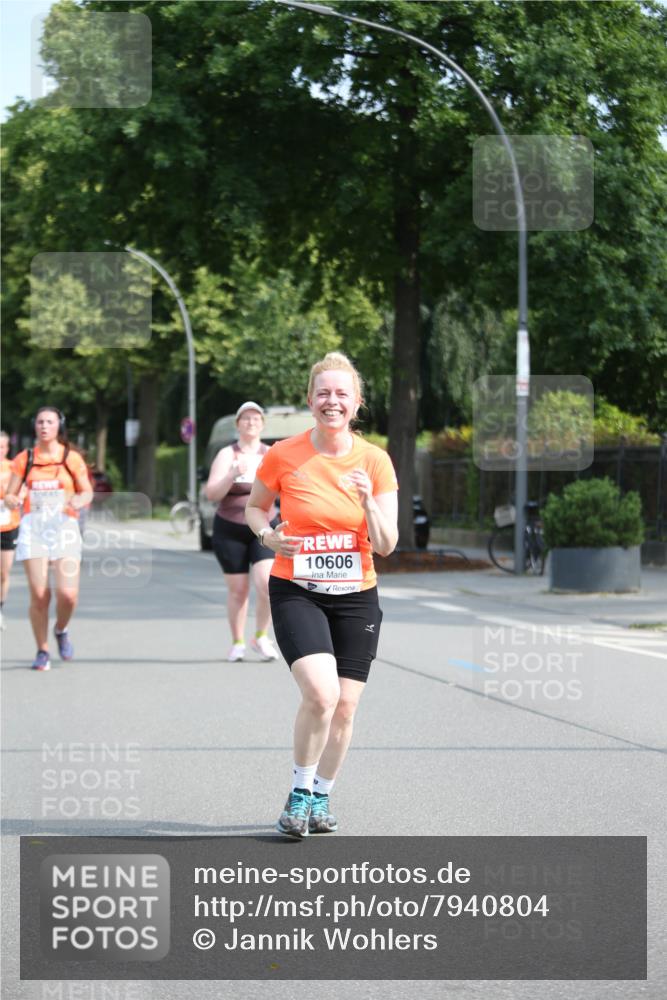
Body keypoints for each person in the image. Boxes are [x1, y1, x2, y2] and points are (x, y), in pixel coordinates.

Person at [246, 352, 398, 837]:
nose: (332, 401)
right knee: (321, 693)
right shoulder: (284, 454)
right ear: (310, 400)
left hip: (357, 595)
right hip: (297, 589)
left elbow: (388, 545)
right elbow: (255, 507)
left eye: (342, 394)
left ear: (356, 404)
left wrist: (368, 502)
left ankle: (320, 797)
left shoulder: (374, 460)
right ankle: (298, 792)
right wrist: (268, 537)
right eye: (324, 393)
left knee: (346, 707)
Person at [4, 407, 92, 671]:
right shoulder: (25, 458)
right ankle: (42, 650)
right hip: (35, 529)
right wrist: (13, 499)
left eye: (49, 422)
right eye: (40, 422)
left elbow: (86, 490)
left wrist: (79, 499)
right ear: (35, 426)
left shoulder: (71, 458)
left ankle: (61, 629)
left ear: (58, 426)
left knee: (68, 595)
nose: (44, 426)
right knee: (40, 595)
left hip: (64, 526)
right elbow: (10, 495)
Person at [205, 402, 280, 662]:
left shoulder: (271, 453)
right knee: (238, 590)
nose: (250, 423)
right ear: (237, 424)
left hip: (262, 526)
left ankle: (260, 636)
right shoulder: (228, 454)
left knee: (267, 583)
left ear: (262, 424)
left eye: (255, 418)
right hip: (230, 528)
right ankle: (237, 642)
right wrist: (232, 474)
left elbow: (284, 489)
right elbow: (211, 493)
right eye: (245, 419)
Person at [0, 430, 22, 629]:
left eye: (2, 446)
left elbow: (23, 491)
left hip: (8, 526)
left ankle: (0, 608)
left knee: (4, 573)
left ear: (7, 448)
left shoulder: (14, 469)